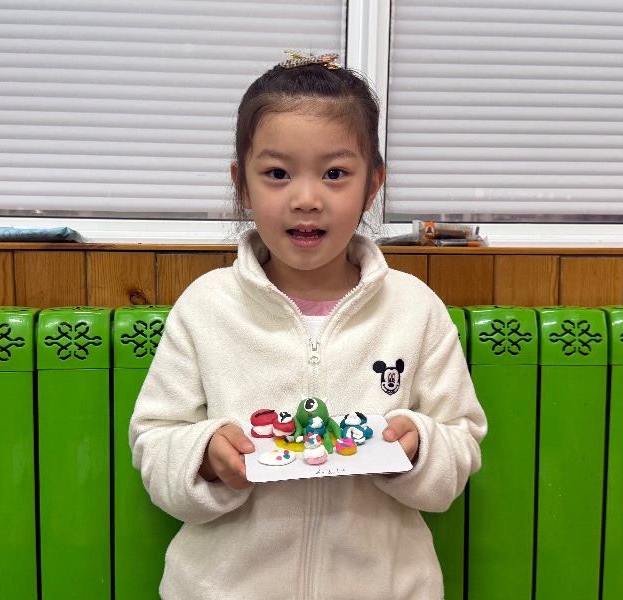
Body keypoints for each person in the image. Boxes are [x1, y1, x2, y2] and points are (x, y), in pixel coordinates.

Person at [129, 49, 487, 599]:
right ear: (242, 185)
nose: (306, 199)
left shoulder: (414, 309)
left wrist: (419, 448)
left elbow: (460, 446)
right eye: (277, 173)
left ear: (373, 185)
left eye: (335, 173)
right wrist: (205, 457)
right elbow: (155, 442)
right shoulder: (207, 307)